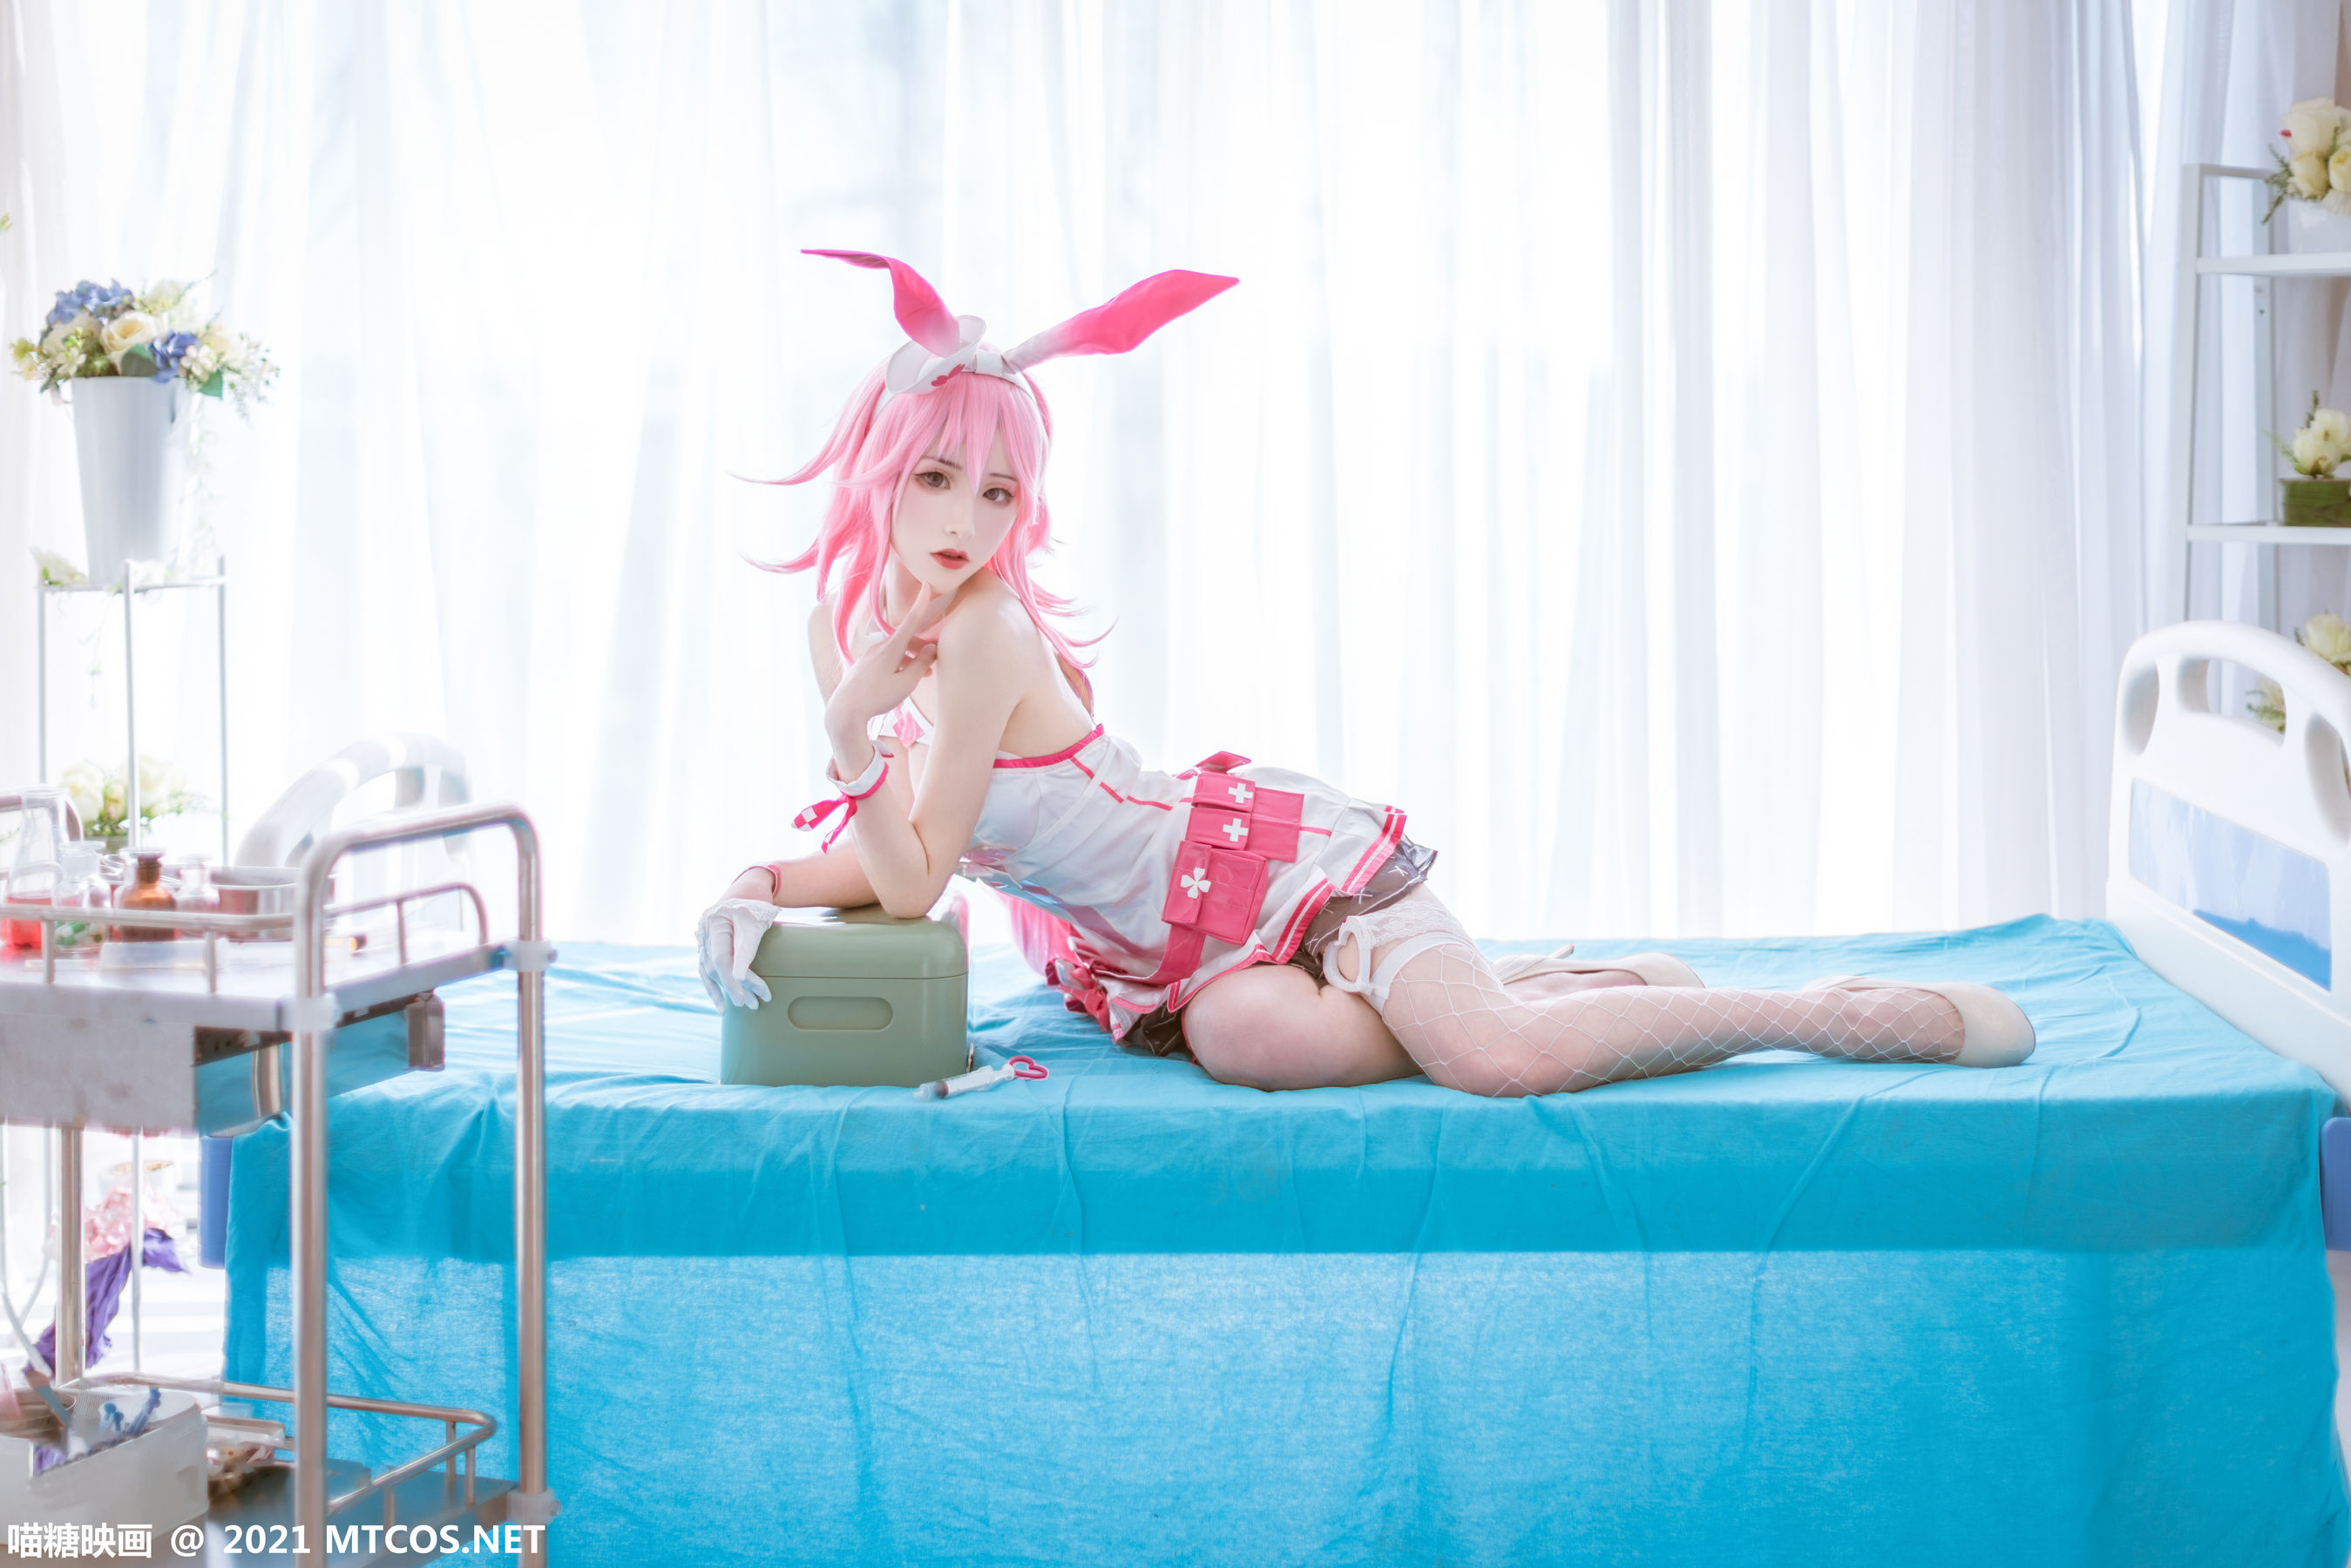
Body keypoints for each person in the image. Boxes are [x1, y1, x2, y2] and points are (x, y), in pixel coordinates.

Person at [696, 251, 2035, 1096]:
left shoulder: (982, 630)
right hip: (1180, 959)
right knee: (1247, 1044)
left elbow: (913, 870)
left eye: (998, 492)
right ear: (879, 465)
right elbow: (901, 846)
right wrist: (755, 883)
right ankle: (1586, 989)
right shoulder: (849, 627)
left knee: (1492, 1065)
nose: (966, 519)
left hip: (1272, 876)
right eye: (937, 479)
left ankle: (1832, 1014)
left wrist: (848, 731)